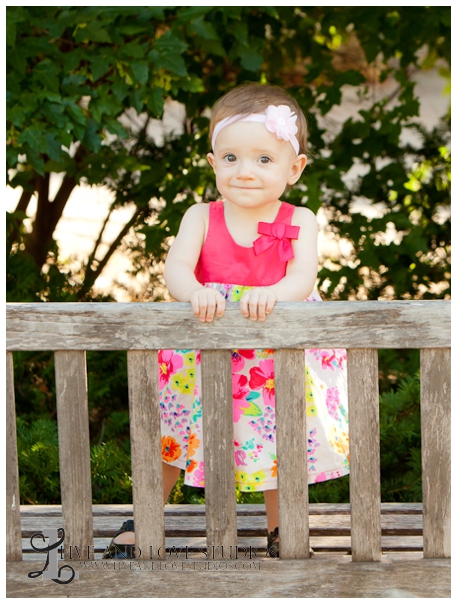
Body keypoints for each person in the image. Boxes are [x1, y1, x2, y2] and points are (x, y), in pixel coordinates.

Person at [104, 83, 350, 559]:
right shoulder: (200, 216)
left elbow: (302, 276)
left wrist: (272, 294)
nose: (246, 171)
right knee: (176, 432)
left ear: (294, 169)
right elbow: (175, 268)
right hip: (207, 340)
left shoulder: (301, 219)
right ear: (214, 163)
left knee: (285, 433)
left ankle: (283, 529)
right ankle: (144, 520)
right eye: (232, 158)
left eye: (264, 160)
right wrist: (195, 291)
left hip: (273, 352)